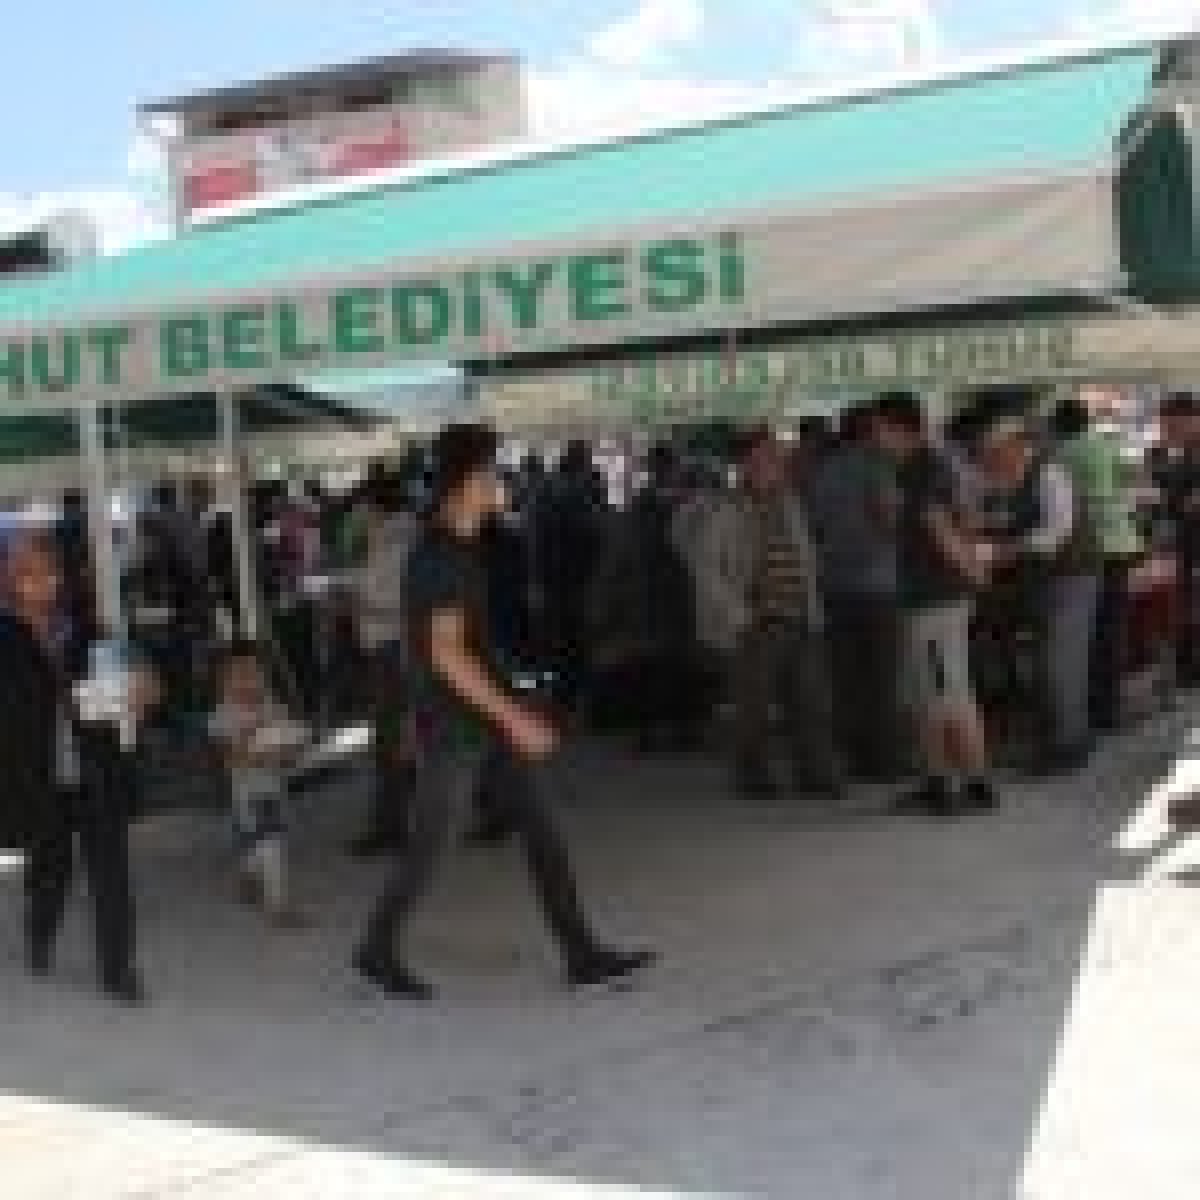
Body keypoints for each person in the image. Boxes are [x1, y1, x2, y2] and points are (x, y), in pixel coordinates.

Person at [354, 424, 656, 1001]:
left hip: (482, 719)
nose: (502, 482)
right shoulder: (441, 554)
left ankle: (581, 953)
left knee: (542, 831)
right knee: (431, 848)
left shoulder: (462, 546)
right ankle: (377, 948)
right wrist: (514, 717)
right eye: (493, 472)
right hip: (457, 727)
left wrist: (507, 707)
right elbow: (446, 654)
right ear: (466, 481)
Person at [0, 531, 155, 1006]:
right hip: (38, 778)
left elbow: (138, 680)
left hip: (96, 770)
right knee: (51, 869)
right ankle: (40, 934)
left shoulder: (90, 630)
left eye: (43, 570)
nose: (34, 579)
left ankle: (119, 969)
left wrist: (140, 691)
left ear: (59, 576)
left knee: (112, 872)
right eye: (22, 571)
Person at [693, 427, 844, 800]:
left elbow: (805, 555)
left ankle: (817, 775)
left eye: (778, 456)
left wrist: (814, 606)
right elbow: (708, 568)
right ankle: (755, 777)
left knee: (810, 702)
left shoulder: (790, 503)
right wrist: (738, 615)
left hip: (799, 614)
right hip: (756, 621)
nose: (777, 462)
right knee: (754, 706)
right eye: (768, 456)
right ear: (746, 462)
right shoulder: (723, 508)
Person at [875, 392, 997, 817]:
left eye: (879, 429)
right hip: (932, 597)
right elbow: (957, 522)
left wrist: (971, 570)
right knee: (934, 692)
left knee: (944, 693)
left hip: (936, 599)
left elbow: (941, 528)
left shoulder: (922, 467)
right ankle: (947, 781)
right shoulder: (930, 465)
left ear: (896, 428)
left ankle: (965, 785)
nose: (876, 438)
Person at [974, 413, 1097, 774]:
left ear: (1016, 447)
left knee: (1060, 663)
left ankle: (1068, 746)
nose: (990, 460)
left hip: (1069, 576)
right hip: (1039, 580)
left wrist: (1005, 550)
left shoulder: (1049, 475)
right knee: (1046, 663)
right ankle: (1057, 741)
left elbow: (1056, 533)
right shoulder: (1012, 479)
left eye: (995, 452)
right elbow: (1013, 521)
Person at [808, 402, 902, 781]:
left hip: (833, 582)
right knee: (882, 677)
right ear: (870, 431)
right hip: (879, 584)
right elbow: (887, 516)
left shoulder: (823, 471)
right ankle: (884, 759)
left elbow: (815, 527)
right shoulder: (877, 467)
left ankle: (853, 756)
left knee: (846, 678)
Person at [347, 471, 423, 858]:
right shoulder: (394, 538)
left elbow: (399, 602)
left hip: (393, 649)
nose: (359, 512)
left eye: (363, 504)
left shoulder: (399, 542)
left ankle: (393, 823)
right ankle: (399, 819)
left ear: (376, 505)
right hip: (393, 648)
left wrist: (356, 600)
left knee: (393, 740)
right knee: (400, 738)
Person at [209, 642, 310, 927]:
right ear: (223, 683)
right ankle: (278, 906)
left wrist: (289, 750)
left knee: (256, 842)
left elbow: (292, 746)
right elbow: (228, 757)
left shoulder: (274, 708)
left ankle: (248, 878)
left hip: (273, 789)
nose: (248, 682)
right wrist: (255, 743)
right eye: (238, 675)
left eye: (254, 674)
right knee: (271, 842)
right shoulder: (223, 715)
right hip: (248, 794)